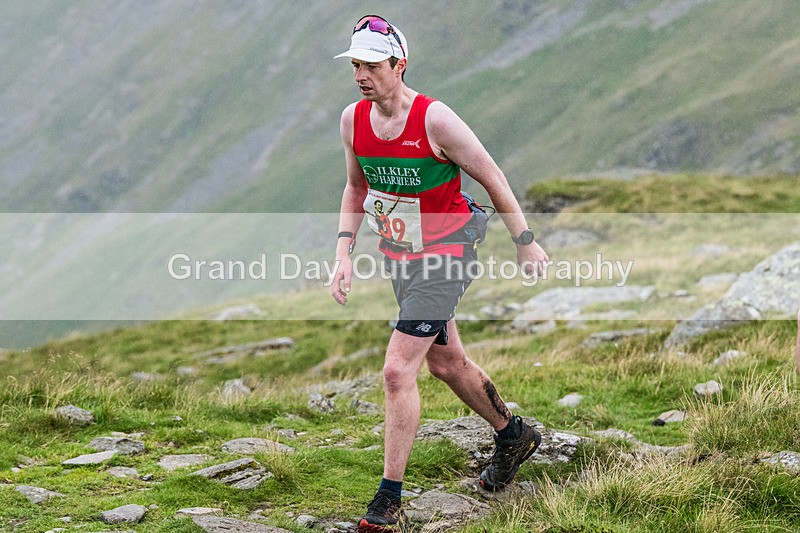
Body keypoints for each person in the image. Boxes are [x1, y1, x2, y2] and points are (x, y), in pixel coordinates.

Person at [329, 15, 549, 532]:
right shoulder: (352, 121)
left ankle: (388, 499)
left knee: (396, 370)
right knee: (448, 364)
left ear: (399, 65)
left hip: (447, 253)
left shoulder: (435, 120)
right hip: (400, 254)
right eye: (356, 65)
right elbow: (356, 189)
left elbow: (491, 174)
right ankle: (513, 433)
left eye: (372, 65)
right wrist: (343, 253)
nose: (362, 74)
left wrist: (525, 241)